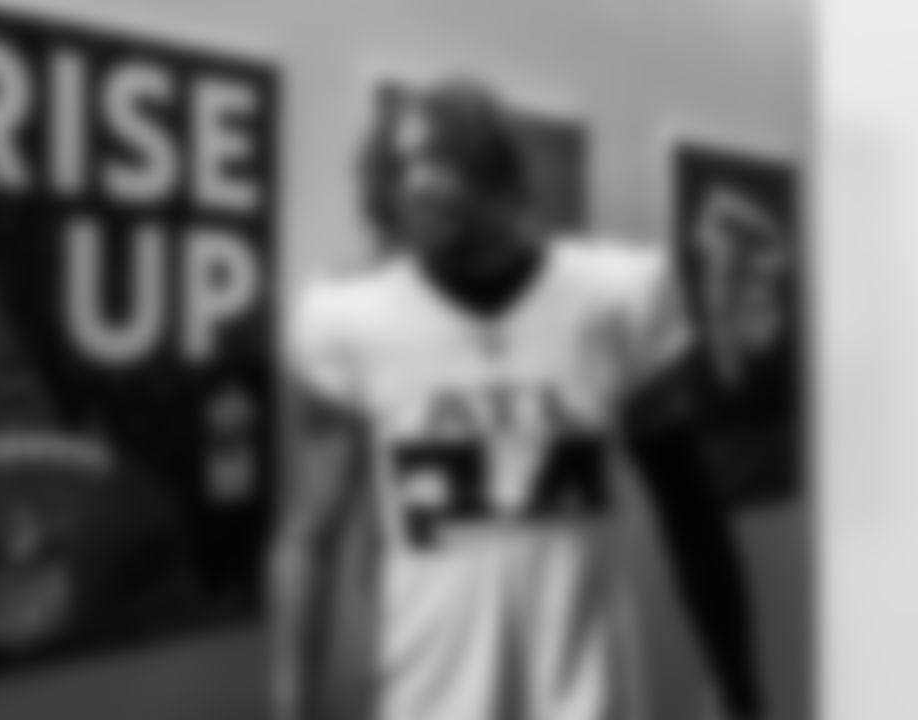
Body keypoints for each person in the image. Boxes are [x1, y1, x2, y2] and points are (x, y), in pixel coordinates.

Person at [270, 77, 763, 720]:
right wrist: (290, 706)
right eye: (398, 166)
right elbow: (311, 536)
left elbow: (691, 511)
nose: (416, 183)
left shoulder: (616, 297)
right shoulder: (349, 321)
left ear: (499, 170)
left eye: (438, 157)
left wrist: (738, 687)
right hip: (425, 698)